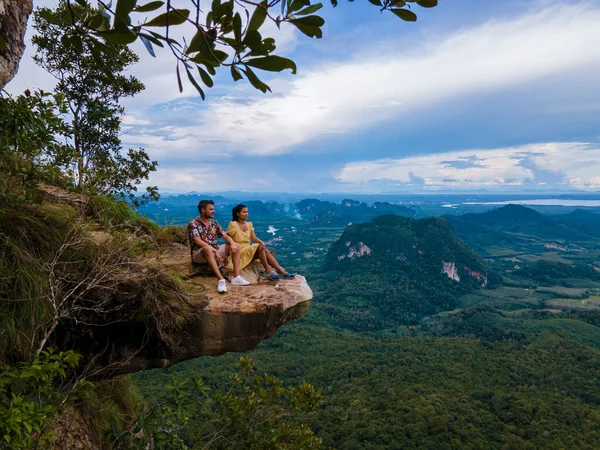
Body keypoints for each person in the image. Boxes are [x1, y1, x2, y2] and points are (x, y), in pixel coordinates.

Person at [188, 199, 251, 293]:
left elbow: (225, 235)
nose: (214, 211)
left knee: (236, 246)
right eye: (211, 209)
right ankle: (221, 280)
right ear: (203, 210)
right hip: (200, 253)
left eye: (213, 209)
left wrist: (232, 243)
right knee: (207, 248)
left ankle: (236, 277)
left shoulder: (214, 223)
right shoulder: (193, 224)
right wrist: (215, 252)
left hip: (214, 250)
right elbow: (198, 241)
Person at [227, 204, 295, 281]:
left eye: (247, 212)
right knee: (260, 247)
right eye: (244, 212)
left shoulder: (249, 224)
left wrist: (260, 241)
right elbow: (227, 238)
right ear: (237, 214)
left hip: (248, 250)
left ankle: (279, 270)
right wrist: (232, 246)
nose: (247, 214)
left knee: (262, 248)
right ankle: (269, 270)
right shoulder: (233, 225)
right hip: (239, 251)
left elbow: (254, 238)